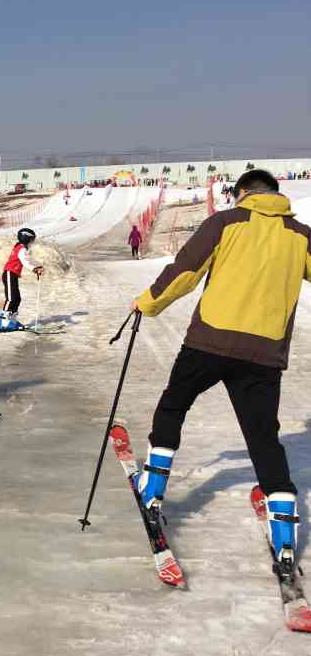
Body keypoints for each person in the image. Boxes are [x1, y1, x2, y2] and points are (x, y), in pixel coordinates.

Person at [132, 169, 310, 578]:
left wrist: (147, 303)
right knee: (264, 437)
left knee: (174, 404)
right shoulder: (301, 235)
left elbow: (186, 271)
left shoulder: (225, 223)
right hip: (263, 354)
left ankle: (154, 487)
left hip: (209, 342)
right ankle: (284, 530)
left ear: (243, 193)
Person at [0, 228, 43, 331]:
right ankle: (3, 322)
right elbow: (25, 261)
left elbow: (29, 259)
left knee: (17, 298)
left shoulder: (22, 248)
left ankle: (11, 321)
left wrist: (38, 265)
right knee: (11, 298)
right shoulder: (21, 248)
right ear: (26, 239)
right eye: (31, 240)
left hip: (13, 275)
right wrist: (34, 269)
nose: (32, 243)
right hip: (9, 273)